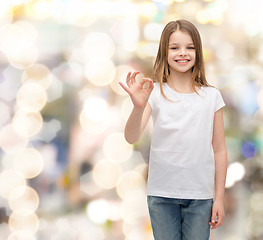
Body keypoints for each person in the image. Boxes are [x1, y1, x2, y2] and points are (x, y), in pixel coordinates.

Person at [119, 19, 227, 240]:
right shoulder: (155, 93)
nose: (182, 53)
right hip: (161, 195)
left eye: (189, 47)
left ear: (198, 51)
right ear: (164, 52)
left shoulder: (212, 96)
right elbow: (131, 137)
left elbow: (219, 150)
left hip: (200, 196)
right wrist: (138, 107)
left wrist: (219, 198)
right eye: (174, 47)